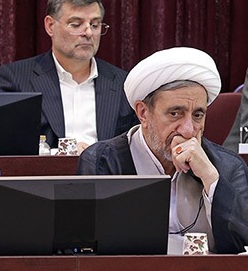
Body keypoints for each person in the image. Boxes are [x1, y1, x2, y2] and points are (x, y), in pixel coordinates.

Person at [78, 47, 248, 254]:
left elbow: (242, 245)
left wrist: (211, 179)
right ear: (143, 113)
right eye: (175, 113)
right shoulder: (102, 162)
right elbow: (87, 248)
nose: (188, 130)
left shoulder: (228, 166)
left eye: (198, 115)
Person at [0, 0, 134, 149]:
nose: (88, 33)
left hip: (104, 166)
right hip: (47, 166)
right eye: (76, 24)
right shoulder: (16, 79)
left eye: (95, 25)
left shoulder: (124, 83)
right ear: (50, 26)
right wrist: (67, 154)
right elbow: (4, 146)